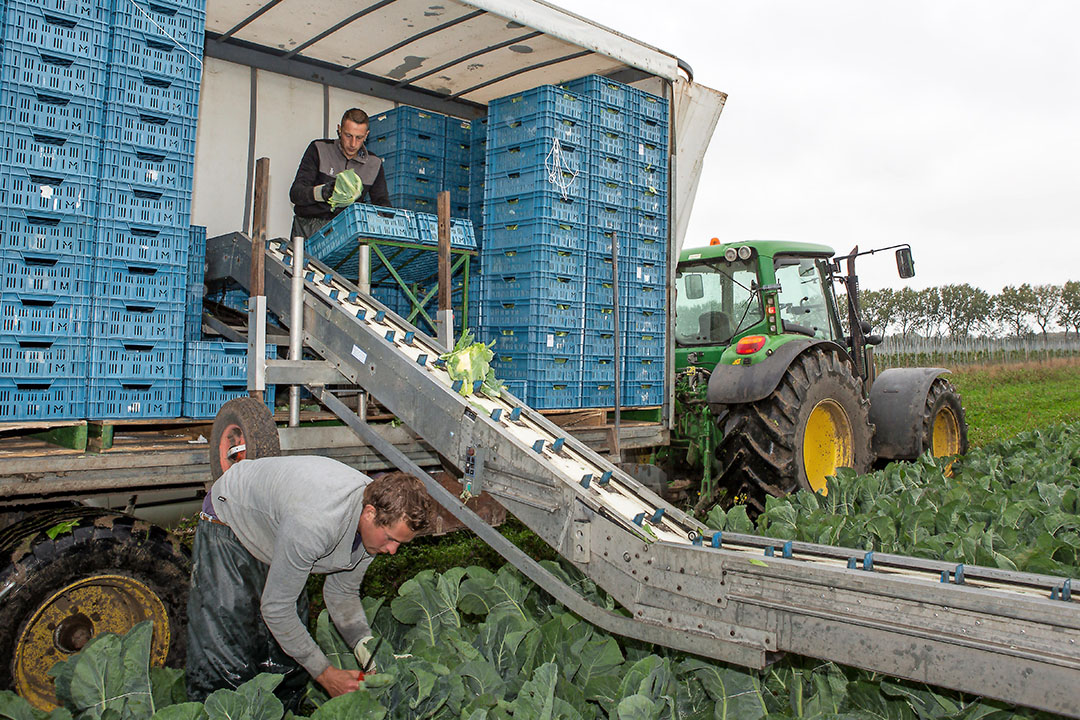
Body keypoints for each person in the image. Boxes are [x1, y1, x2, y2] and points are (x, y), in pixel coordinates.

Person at [185, 456, 432, 709]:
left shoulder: (377, 519)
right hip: (233, 517)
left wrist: (364, 644)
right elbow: (277, 608)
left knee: (284, 662)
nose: (392, 550)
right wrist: (325, 674)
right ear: (369, 513)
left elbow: (342, 592)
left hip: (283, 525)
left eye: (400, 544)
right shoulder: (315, 524)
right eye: (391, 539)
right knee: (227, 651)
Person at [289, 108, 392, 240]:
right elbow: (296, 193)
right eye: (348, 135)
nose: (353, 144)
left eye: (359, 138)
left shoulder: (374, 164)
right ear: (339, 129)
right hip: (308, 229)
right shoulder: (319, 149)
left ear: (366, 135)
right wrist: (322, 193)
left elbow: (382, 203)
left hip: (346, 233)